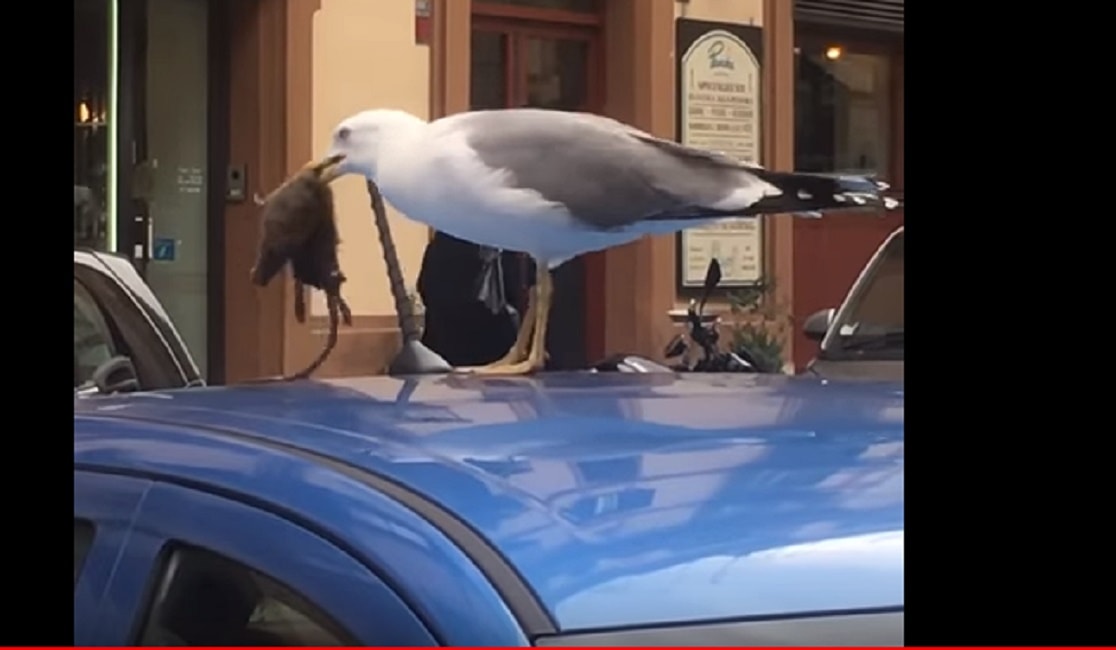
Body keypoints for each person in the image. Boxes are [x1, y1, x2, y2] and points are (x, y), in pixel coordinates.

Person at [417, 231, 530, 367]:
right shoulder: (504, 243)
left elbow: (425, 288)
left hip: (444, 352)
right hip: (494, 353)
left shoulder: (446, 238)